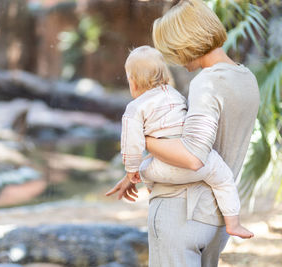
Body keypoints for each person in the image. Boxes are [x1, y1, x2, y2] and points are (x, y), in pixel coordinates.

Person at [106, 0, 260, 266]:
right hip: (218, 217)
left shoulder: (206, 82)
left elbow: (192, 156)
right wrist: (137, 172)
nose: (173, 58)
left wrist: (142, 137)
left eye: (173, 49)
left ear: (186, 41)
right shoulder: (246, 78)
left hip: (181, 211)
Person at [107, 44, 253, 238]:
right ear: (166, 75)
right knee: (224, 179)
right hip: (201, 163)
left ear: (132, 82)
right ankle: (233, 223)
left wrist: (132, 172)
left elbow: (131, 145)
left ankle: (154, 193)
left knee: (144, 169)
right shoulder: (176, 97)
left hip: (167, 170)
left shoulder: (135, 108)